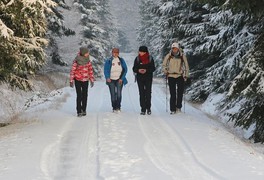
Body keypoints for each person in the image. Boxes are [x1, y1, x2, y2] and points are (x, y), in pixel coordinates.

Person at [162, 42, 189, 114]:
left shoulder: (182, 56)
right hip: (171, 75)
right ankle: (172, 109)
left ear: (178, 48)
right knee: (172, 93)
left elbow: (186, 66)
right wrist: (165, 71)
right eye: (173, 48)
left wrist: (186, 75)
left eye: (175, 48)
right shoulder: (168, 56)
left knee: (180, 92)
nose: (174, 50)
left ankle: (179, 107)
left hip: (180, 75)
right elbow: (164, 64)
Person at [70, 46, 95, 117]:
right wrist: (71, 80)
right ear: (83, 53)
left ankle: (84, 109)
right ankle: (79, 111)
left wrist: (92, 80)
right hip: (77, 79)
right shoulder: (76, 60)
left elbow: (90, 70)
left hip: (85, 80)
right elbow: (73, 70)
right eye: (87, 53)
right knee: (79, 95)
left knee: (85, 95)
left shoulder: (88, 60)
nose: (88, 54)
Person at [132, 46, 156, 115]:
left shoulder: (150, 58)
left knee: (148, 93)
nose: (140, 53)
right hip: (140, 78)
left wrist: (146, 70)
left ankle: (148, 108)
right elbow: (134, 68)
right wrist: (138, 70)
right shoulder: (137, 59)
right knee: (141, 93)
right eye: (140, 51)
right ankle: (143, 109)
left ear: (145, 52)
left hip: (148, 77)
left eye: (142, 52)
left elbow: (153, 68)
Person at [104, 48, 128, 113]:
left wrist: (121, 78)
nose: (115, 53)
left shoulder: (121, 60)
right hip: (111, 80)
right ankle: (114, 107)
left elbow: (125, 69)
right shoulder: (108, 60)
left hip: (119, 79)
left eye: (117, 52)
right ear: (112, 53)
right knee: (113, 94)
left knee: (119, 94)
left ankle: (118, 107)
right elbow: (105, 70)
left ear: (118, 53)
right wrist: (107, 77)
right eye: (114, 52)